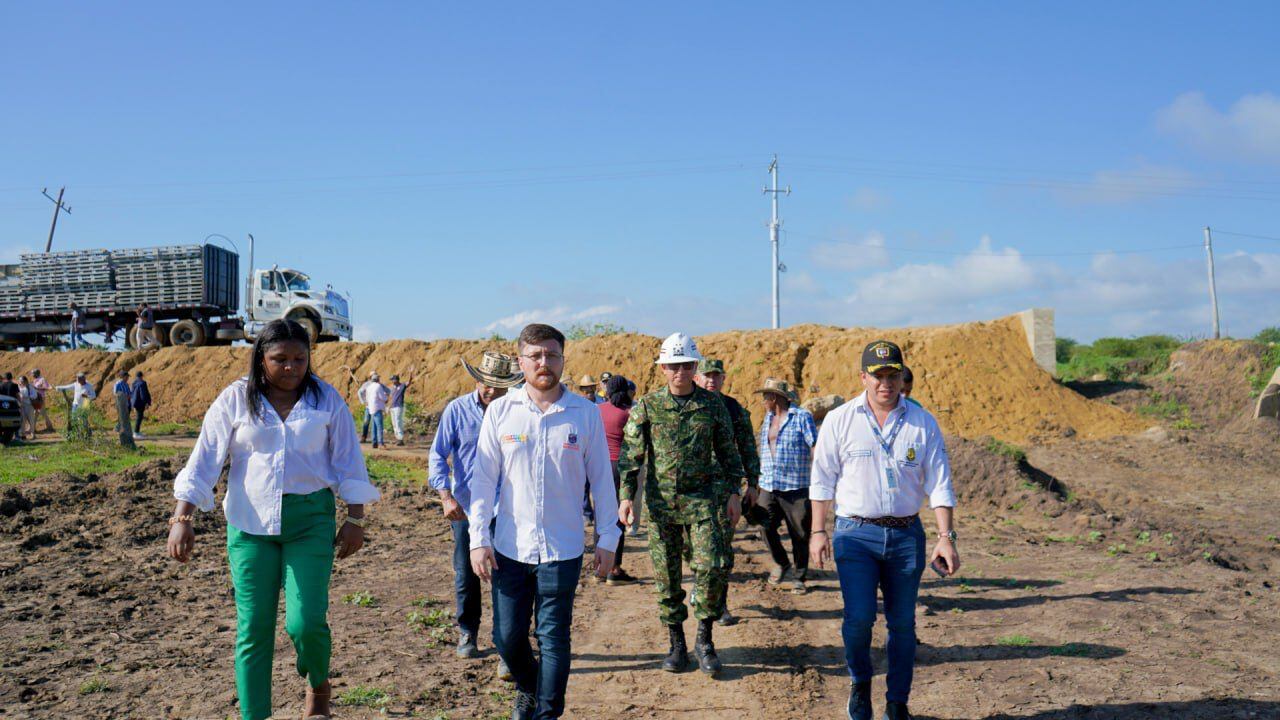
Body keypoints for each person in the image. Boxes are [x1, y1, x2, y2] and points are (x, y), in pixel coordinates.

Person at [166, 319, 380, 720]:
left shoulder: (326, 400)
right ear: (260, 358)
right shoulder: (235, 399)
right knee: (253, 630)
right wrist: (183, 516)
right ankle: (255, 715)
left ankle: (317, 685)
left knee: (306, 621)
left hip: (309, 522)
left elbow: (349, 461)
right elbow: (205, 458)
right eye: (280, 359)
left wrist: (355, 518)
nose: (291, 367)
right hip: (249, 527)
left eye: (300, 359)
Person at [468, 323, 618, 720]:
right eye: (535, 356)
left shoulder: (584, 415)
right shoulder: (502, 411)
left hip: (562, 547)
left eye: (551, 355)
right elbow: (482, 480)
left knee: (553, 638)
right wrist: (477, 537)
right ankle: (529, 687)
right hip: (509, 548)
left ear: (562, 360)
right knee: (508, 638)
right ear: (521, 362)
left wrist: (608, 536)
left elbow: (602, 479)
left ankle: (547, 713)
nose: (543, 363)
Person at [809, 340, 959, 720]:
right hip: (855, 535)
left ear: (901, 378)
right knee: (859, 618)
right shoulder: (840, 420)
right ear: (863, 377)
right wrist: (818, 531)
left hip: (907, 537)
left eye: (892, 375)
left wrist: (946, 538)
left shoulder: (922, 422)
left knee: (903, 624)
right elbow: (822, 480)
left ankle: (897, 702)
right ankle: (860, 682)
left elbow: (940, 483)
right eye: (877, 376)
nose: (884, 383)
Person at [618, 332, 745, 677]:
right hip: (662, 508)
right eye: (673, 366)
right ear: (662, 369)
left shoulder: (712, 405)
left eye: (686, 365)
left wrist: (735, 492)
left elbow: (728, 452)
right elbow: (631, 456)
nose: (680, 372)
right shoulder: (648, 406)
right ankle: (676, 643)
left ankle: (705, 639)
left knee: (712, 567)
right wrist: (626, 497)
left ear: (694, 366)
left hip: (703, 504)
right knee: (668, 578)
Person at [428, 351, 522, 676]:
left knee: (507, 577)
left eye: (499, 387)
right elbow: (438, 456)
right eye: (486, 384)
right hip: (466, 510)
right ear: (476, 379)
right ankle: (468, 630)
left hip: (507, 510)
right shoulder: (457, 411)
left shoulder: (516, 412)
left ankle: (506, 644)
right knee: (466, 573)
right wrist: (445, 496)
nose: (491, 392)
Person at [693, 358, 761, 625]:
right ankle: (701, 591)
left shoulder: (733, 409)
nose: (711, 380)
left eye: (716, 376)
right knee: (693, 551)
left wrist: (752, 484)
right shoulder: (687, 404)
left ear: (723, 379)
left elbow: (747, 447)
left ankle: (719, 604)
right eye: (706, 376)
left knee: (720, 551)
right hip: (690, 494)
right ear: (697, 378)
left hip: (724, 492)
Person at [756, 377, 818, 594]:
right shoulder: (768, 418)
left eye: (765, 397)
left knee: (800, 534)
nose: (763, 401)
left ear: (774, 397)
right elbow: (763, 451)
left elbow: (814, 446)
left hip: (796, 487)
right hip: (769, 485)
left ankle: (799, 576)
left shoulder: (802, 417)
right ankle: (782, 563)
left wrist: (820, 478)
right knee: (764, 525)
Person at [596, 374, 637, 586]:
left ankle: (599, 567)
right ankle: (614, 568)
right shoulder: (628, 413)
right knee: (618, 519)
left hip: (597, 467)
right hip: (619, 467)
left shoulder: (597, 410)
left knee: (601, 516)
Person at [387, 369, 416, 446]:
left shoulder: (402, 386)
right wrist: (388, 407)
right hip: (392, 407)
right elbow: (391, 398)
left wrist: (410, 373)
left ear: (396, 380)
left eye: (393, 380)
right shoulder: (392, 388)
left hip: (399, 406)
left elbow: (409, 382)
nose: (392, 381)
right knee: (394, 423)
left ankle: (400, 439)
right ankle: (397, 438)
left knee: (398, 422)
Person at [361, 372, 389, 449]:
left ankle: (374, 443)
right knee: (379, 426)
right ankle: (380, 443)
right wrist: (386, 398)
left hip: (371, 408)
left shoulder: (369, 387)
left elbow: (366, 397)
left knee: (374, 427)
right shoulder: (378, 386)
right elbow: (382, 397)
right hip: (377, 408)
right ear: (377, 379)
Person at [30, 368, 54, 433]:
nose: (31, 375)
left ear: (36, 373)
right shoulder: (35, 380)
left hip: (41, 398)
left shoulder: (42, 379)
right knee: (39, 413)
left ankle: (33, 428)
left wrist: (37, 388)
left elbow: (49, 387)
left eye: (32, 373)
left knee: (39, 413)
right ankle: (49, 426)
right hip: (36, 398)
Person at [131, 371, 152, 437]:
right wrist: (146, 403)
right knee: (139, 417)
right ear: (142, 376)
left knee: (139, 417)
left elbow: (132, 393)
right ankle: (136, 432)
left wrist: (132, 403)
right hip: (140, 403)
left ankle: (137, 431)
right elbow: (143, 394)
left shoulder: (134, 383)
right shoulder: (142, 383)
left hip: (135, 402)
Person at [17, 375, 37, 440]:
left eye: (22, 381)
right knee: (22, 421)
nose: (21, 382)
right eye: (20, 381)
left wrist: (27, 396)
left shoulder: (30, 387)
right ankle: (23, 435)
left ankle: (33, 434)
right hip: (22, 406)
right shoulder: (18, 387)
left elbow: (35, 395)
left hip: (29, 406)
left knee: (31, 420)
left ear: (26, 381)